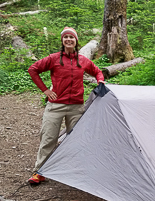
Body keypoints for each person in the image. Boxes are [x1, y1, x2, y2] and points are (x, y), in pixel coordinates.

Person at [27, 27, 105, 184]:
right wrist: (46, 90)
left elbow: (98, 72)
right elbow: (33, 69)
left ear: (76, 41)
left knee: (77, 140)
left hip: (76, 107)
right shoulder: (53, 58)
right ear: (62, 41)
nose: (69, 39)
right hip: (55, 106)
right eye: (66, 37)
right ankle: (39, 171)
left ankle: (75, 170)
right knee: (49, 138)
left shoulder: (83, 60)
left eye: (72, 37)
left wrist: (100, 81)